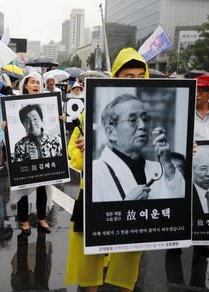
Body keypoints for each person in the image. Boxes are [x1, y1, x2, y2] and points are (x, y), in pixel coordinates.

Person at [66, 47, 151, 292]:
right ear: (115, 77)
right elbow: (76, 160)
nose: (135, 81)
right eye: (128, 76)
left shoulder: (149, 114)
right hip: (95, 195)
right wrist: (82, 151)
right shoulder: (91, 111)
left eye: (140, 75)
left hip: (137, 201)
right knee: (89, 255)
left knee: (128, 256)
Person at [92, 93, 185, 202]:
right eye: (132, 120)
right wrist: (127, 207)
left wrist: (168, 165)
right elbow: (94, 217)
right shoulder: (95, 171)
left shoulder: (160, 169)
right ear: (111, 132)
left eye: (145, 119)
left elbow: (181, 210)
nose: (143, 126)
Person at [10, 72, 52, 236]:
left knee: (42, 188)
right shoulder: (14, 104)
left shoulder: (51, 140)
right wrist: (5, 126)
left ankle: (41, 219)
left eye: (38, 82)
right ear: (25, 86)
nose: (36, 85)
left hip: (44, 164)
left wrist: (62, 119)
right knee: (22, 186)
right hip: (25, 164)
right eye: (32, 82)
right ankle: (24, 221)